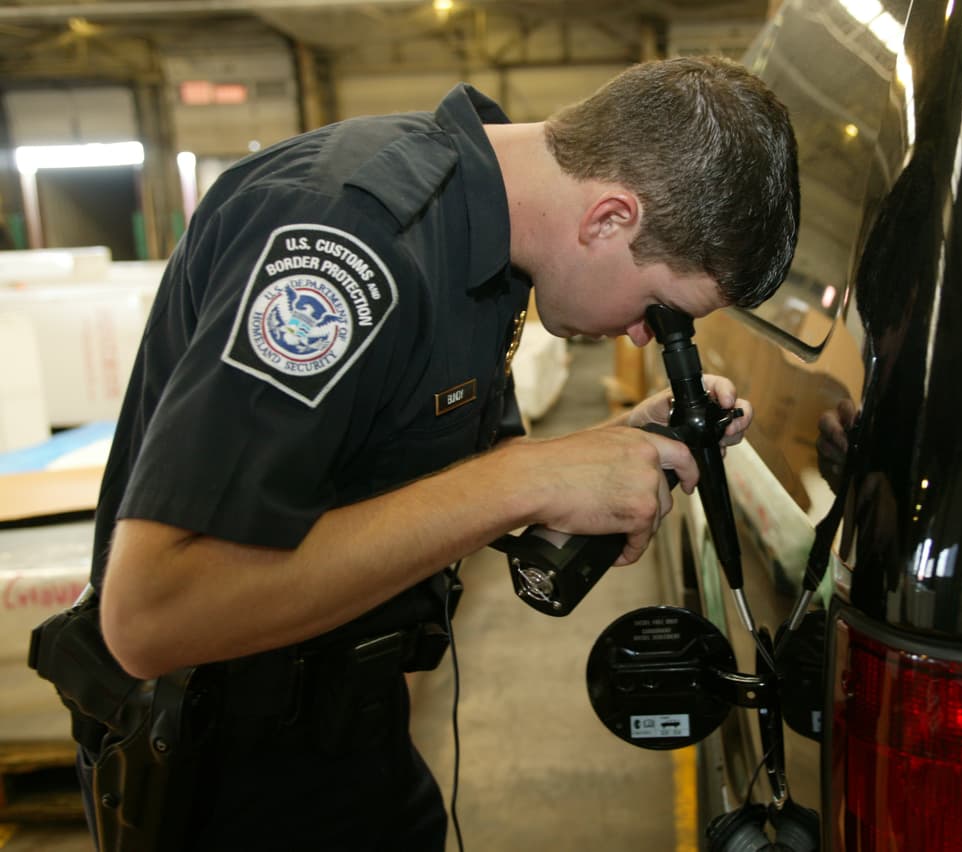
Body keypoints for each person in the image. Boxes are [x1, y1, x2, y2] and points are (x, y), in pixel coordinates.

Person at [79, 55, 799, 850]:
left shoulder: (485, 239)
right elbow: (150, 615)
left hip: (355, 729)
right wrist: (523, 479)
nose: (640, 336)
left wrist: (609, 447)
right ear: (608, 219)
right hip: (225, 776)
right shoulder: (344, 244)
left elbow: (422, 472)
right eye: (658, 309)